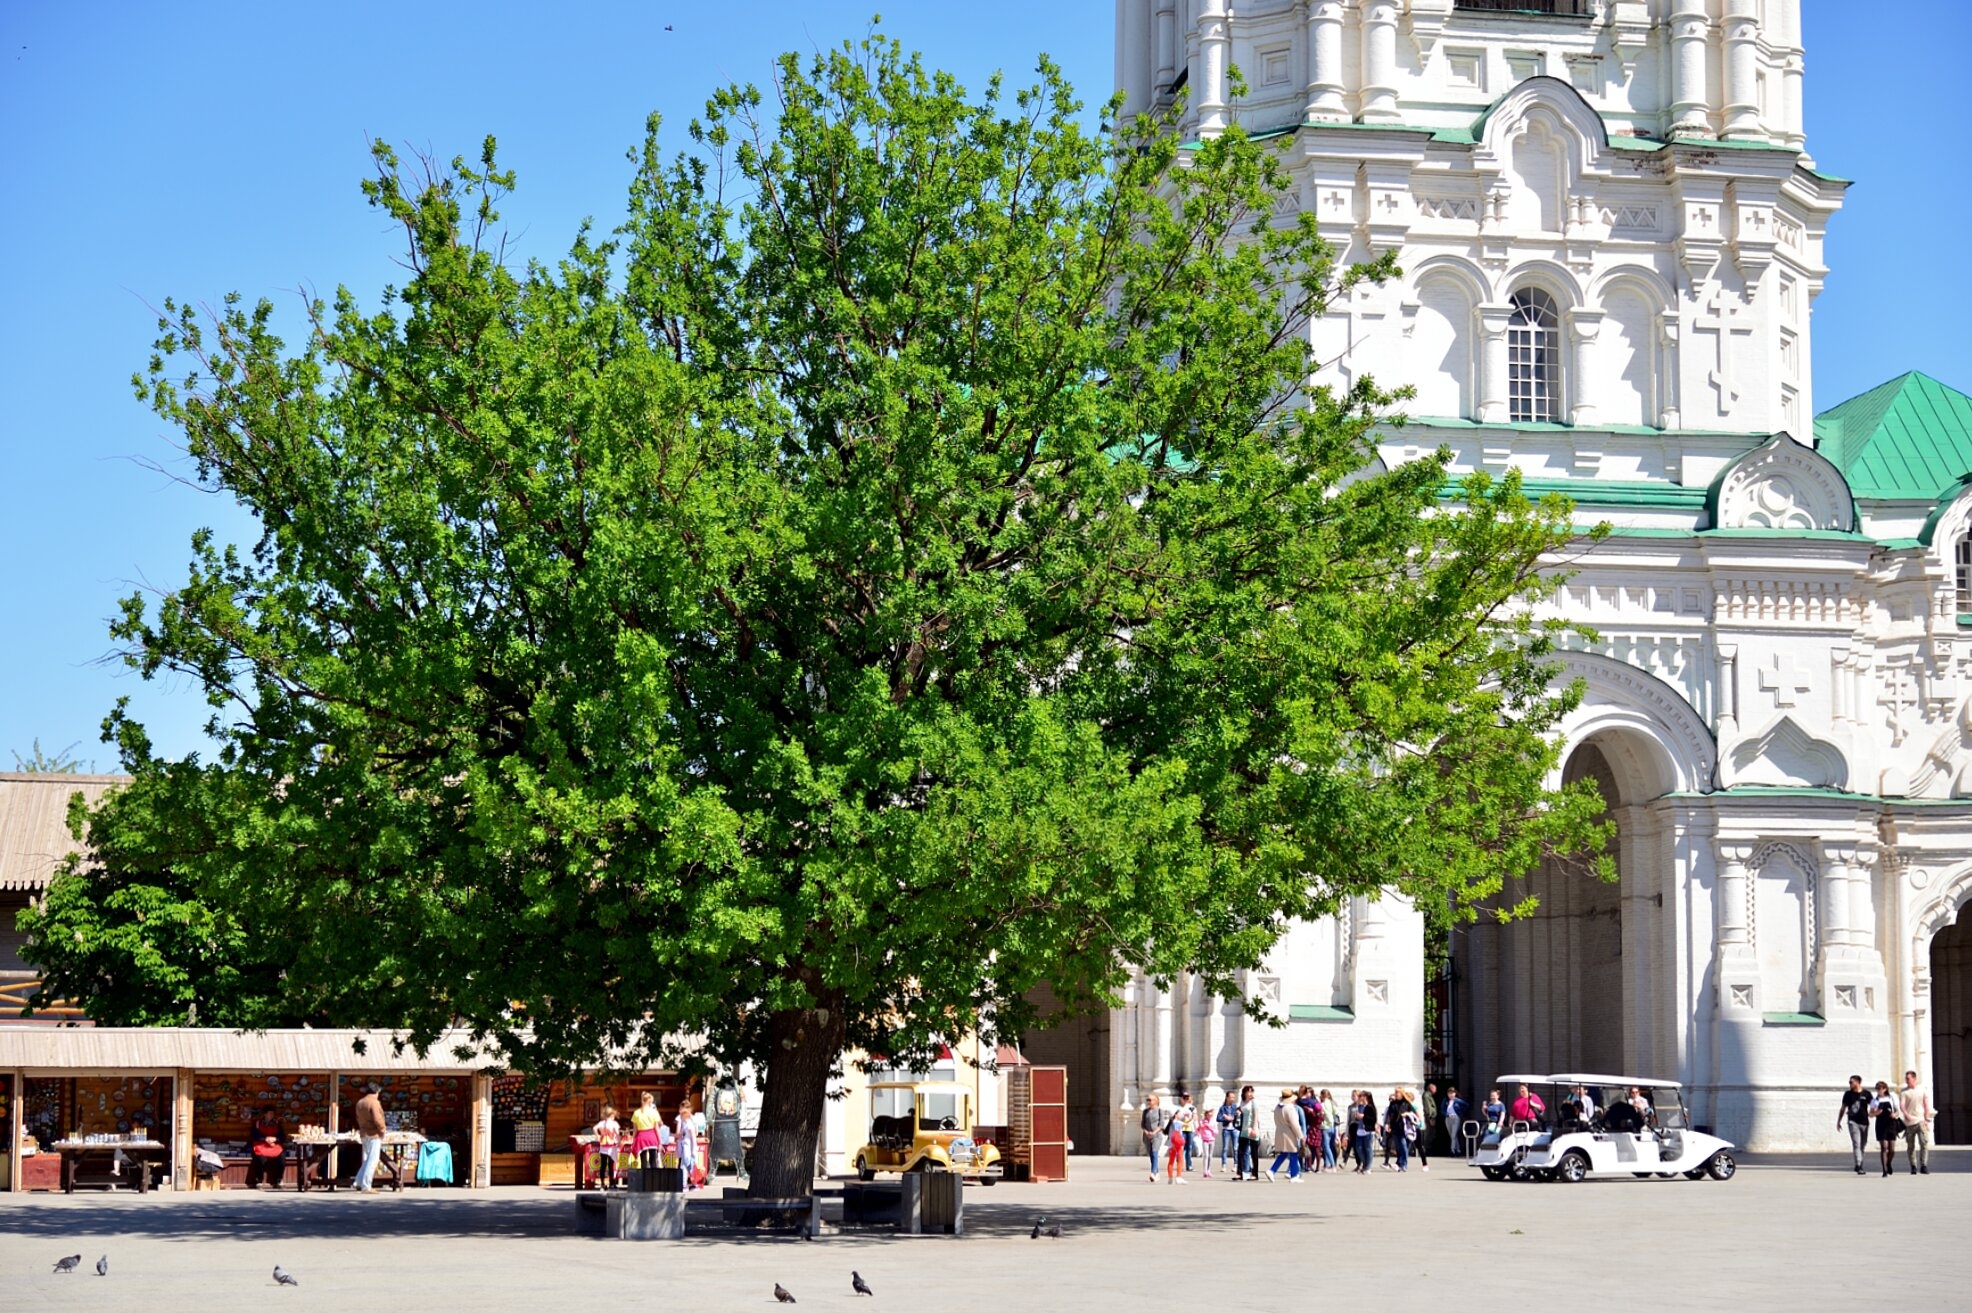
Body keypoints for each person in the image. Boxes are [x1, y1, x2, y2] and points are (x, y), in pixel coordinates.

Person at [353, 1083, 387, 1193]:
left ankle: (358, 1181)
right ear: (376, 1092)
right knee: (373, 1160)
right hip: (374, 1134)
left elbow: (358, 1118)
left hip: (363, 1133)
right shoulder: (374, 1103)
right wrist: (382, 1130)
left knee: (367, 1159)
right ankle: (366, 1186)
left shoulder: (360, 1102)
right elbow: (378, 1119)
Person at [1898, 1070, 1934, 1176]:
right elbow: (1902, 1105)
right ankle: (1913, 1166)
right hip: (1909, 1122)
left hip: (1921, 1120)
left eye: (1908, 1078)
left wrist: (1926, 1119)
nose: (1907, 1080)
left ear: (1914, 1079)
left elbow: (1926, 1104)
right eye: (1906, 1079)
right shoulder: (1904, 1092)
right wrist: (1906, 1114)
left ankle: (1924, 1165)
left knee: (1924, 1143)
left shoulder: (1922, 1090)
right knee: (1910, 1146)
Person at [1836, 1076, 1871, 1176]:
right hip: (1853, 1122)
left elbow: (1874, 1105)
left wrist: (1875, 1112)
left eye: (1851, 1082)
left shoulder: (1866, 1094)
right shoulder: (1848, 1094)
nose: (1850, 1084)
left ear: (1858, 1082)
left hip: (1864, 1122)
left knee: (1863, 1145)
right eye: (1849, 1082)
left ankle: (1859, 1162)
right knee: (1856, 1143)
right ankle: (1859, 1165)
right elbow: (1843, 1108)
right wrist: (1839, 1121)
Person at [246, 1106, 287, 1190]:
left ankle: (278, 1180)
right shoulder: (257, 1123)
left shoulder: (277, 1123)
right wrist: (265, 1139)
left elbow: (282, 1137)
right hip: (261, 1144)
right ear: (265, 1114)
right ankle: (259, 1180)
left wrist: (276, 1139)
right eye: (270, 1113)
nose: (272, 1115)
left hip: (274, 1145)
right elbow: (254, 1135)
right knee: (261, 1159)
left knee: (282, 1158)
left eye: (273, 1113)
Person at [1268, 1090, 1304, 1181]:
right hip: (1289, 1133)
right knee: (1293, 1153)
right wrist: (1300, 1136)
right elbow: (1294, 1123)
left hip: (1279, 1131)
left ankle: (1272, 1170)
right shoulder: (1290, 1108)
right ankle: (1294, 1175)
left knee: (1284, 1153)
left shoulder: (1277, 1107)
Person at [1870, 1081, 1901, 1177]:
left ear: (1885, 1089)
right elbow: (1870, 1114)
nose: (1878, 1091)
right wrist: (1876, 1113)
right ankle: (1884, 1170)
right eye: (1877, 1089)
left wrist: (1894, 1115)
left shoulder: (1892, 1098)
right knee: (1884, 1147)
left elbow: (1897, 1111)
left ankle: (1888, 1163)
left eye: (1880, 1088)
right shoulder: (1875, 1101)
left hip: (1891, 1123)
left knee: (1892, 1149)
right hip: (1880, 1124)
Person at [630, 1091, 666, 1176]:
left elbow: (635, 1130)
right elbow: (657, 1128)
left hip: (641, 1137)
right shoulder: (654, 1112)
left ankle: (644, 1180)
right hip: (652, 1136)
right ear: (650, 1102)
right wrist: (660, 1142)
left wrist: (633, 1140)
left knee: (643, 1160)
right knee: (653, 1159)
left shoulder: (636, 1113)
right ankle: (653, 1180)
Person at [1382, 1087, 1416, 1172]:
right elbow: (1389, 1116)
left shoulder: (1407, 1103)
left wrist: (1407, 1114)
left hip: (1405, 1128)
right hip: (1395, 1127)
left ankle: (1404, 1164)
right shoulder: (1393, 1104)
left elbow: (1413, 1114)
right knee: (1399, 1147)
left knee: (1403, 1145)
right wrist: (1387, 1124)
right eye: (1395, 1092)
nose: (1396, 1094)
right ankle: (1400, 1163)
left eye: (1398, 1093)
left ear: (1402, 1094)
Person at [592, 1104, 623, 1189]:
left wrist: (597, 1136)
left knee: (603, 1165)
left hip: (603, 1146)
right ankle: (612, 1183)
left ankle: (602, 1184)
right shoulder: (614, 1124)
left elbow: (594, 1128)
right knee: (611, 1165)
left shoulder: (602, 1123)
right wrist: (619, 1142)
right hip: (612, 1147)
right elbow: (617, 1133)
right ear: (612, 1115)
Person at [675, 1100, 702, 1189]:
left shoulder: (688, 1124)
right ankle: (687, 1183)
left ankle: (693, 1182)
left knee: (687, 1164)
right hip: (686, 1145)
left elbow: (693, 1136)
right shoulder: (691, 1120)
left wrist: (675, 1136)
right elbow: (696, 1133)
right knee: (685, 1164)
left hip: (687, 1146)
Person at [1236, 1086, 1261, 1181]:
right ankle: (1240, 1173)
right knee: (1241, 1151)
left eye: (1252, 1091)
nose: (1250, 1094)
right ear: (1245, 1093)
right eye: (1248, 1091)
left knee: (1254, 1152)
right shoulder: (1242, 1101)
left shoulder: (1254, 1102)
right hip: (1244, 1129)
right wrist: (1238, 1111)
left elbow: (1256, 1115)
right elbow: (1241, 1110)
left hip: (1252, 1128)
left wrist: (1254, 1128)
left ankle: (1255, 1174)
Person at [1214, 1091, 1240, 1176]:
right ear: (1227, 1098)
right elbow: (1218, 1118)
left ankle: (1235, 1165)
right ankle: (1224, 1165)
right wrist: (1226, 1119)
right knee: (1225, 1148)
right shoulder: (1223, 1108)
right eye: (1231, 1097)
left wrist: (1234, 1117)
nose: (1233, 1099)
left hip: (1234, 1129)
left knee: (1235, 1148)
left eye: (1234, 1097)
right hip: (1226, 1129)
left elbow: (1238, 1116)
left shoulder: (1235, 1107)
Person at [1350, 1091, 1376, 1174]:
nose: (1360, 1097)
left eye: (1361, 1096)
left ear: (1366, 1097)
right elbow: (1358, 1118)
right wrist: (1357, 1117)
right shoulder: (1360, 1106)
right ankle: (1365, 1165)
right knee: (1359, 1148)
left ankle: (1368, 1167)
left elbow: (1373, 1119)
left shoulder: (1370, 1107)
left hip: (1368, 1130)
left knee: (1368, 1149)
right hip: (1360, 1130)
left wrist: (1363, 1116)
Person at [1140, 1093, 1163, 1182]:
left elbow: (1161, 1124)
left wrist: (1154, 1132)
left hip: (1156, 1136)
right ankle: (1156, 1173)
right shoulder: (1145, 1111)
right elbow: (1142, 1124)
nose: (1148, 1102)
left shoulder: (1159, 1110)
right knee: (1151, 1155)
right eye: (1148, 1100)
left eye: (1150, 1100)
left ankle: (1153, 1172)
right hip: (1147, 1136)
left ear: (1156, 1101)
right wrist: (1146, 1132)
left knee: (1154, 1153)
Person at [1316, 1089, 1340, 1171]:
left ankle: (1333, 1165)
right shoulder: (1331, 1102)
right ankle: (1326, 1164)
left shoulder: (1323, 1104)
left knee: (1326, 1147)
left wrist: (1328, 1122)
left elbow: (1327, 1114)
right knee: (1328, 1146)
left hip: (1326, 1127)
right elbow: (1335, 1112)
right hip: (1332, 1127)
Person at [1164, 1106, 1189, 1185]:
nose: (1180, 1114)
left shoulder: (1171, 1123)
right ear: (1175, 1114)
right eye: (1179, 1113)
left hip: (1171, 1144)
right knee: (1180, 1160)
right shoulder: (1177, 1122)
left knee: (1171, 1161)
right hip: (1177, 1143)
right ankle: (1178, 1177)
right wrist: (1187, 1117)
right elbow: (1187, 1125)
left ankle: (1170, 1177)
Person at [1443, 1086, 1469, 1158]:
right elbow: (1442, 1109)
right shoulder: (1446, 1101)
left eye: (1452, 1093)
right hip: (1448, 1118)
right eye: (1449, 1093)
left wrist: (1460, 1112)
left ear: (1455, 1094)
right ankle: (1458, 1150)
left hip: (1455, 1118)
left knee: (1453, 1134)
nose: (1451, 1095)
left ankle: (1452, 1150)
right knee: (1452, 1135)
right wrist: (1446, 1114)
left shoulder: (1458, 1100)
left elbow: (1466, 1105)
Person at [1417, 1082, 1438, 1171]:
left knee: (1431, 1134)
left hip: (1431, 1117)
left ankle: (1427, 1149)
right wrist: (1430, 1117)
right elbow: (1428, 1107)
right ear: (1431, 1089)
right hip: (1429, 1117)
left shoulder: (1429, 1095)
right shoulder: (1426, 1096)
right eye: (1435, 1088)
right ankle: (1425, 1150)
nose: (1436, 1090)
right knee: (1428, 1134)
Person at [1176, 1091, 1199, 1172]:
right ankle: (1179, 1164)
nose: (1185, 1099)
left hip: (1190, 1129)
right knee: (1180, 1147)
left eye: (1187, 1098)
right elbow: (1177, 1118)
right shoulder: (1178, 1108)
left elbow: (1195, 1118)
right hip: (1181, 1129)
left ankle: (1189, 1165)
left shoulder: (1191, 1107)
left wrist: (1197, 1129)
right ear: (1181, 1098)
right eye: (1184, 1097)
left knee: (1189, 1148)